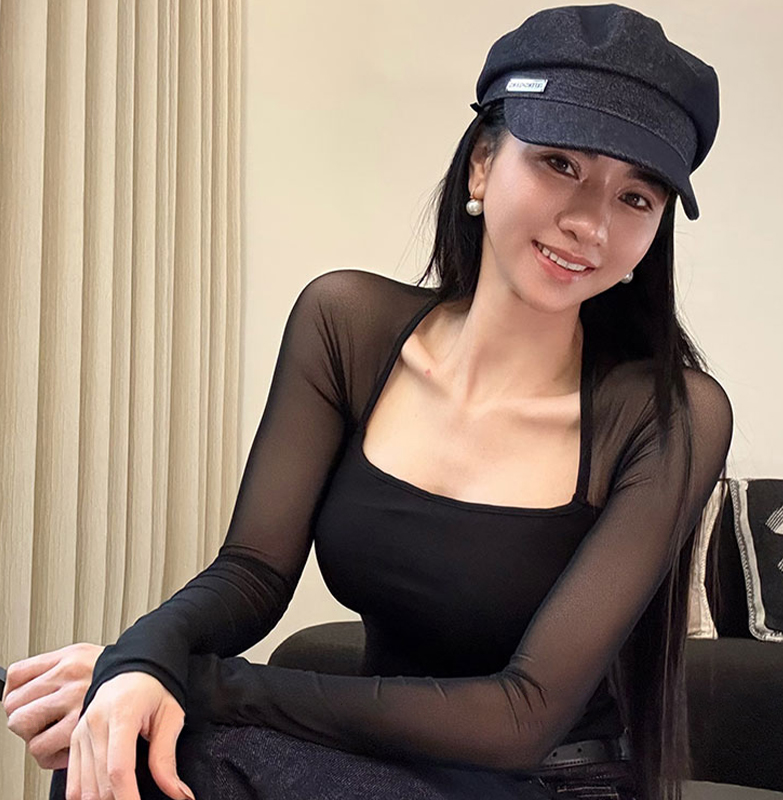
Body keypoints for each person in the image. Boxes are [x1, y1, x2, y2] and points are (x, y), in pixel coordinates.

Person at [3, 5, 733, 800]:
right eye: (560, 163)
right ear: (481, 166)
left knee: (179, 742)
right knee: (129, 736)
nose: (589, 221)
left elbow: (522, 715)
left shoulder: (670, 416)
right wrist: (141, 660)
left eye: (637, 198)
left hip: (545, 779)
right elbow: (252, 571)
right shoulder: (346, 325)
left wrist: (191, 680)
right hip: (371, 763)